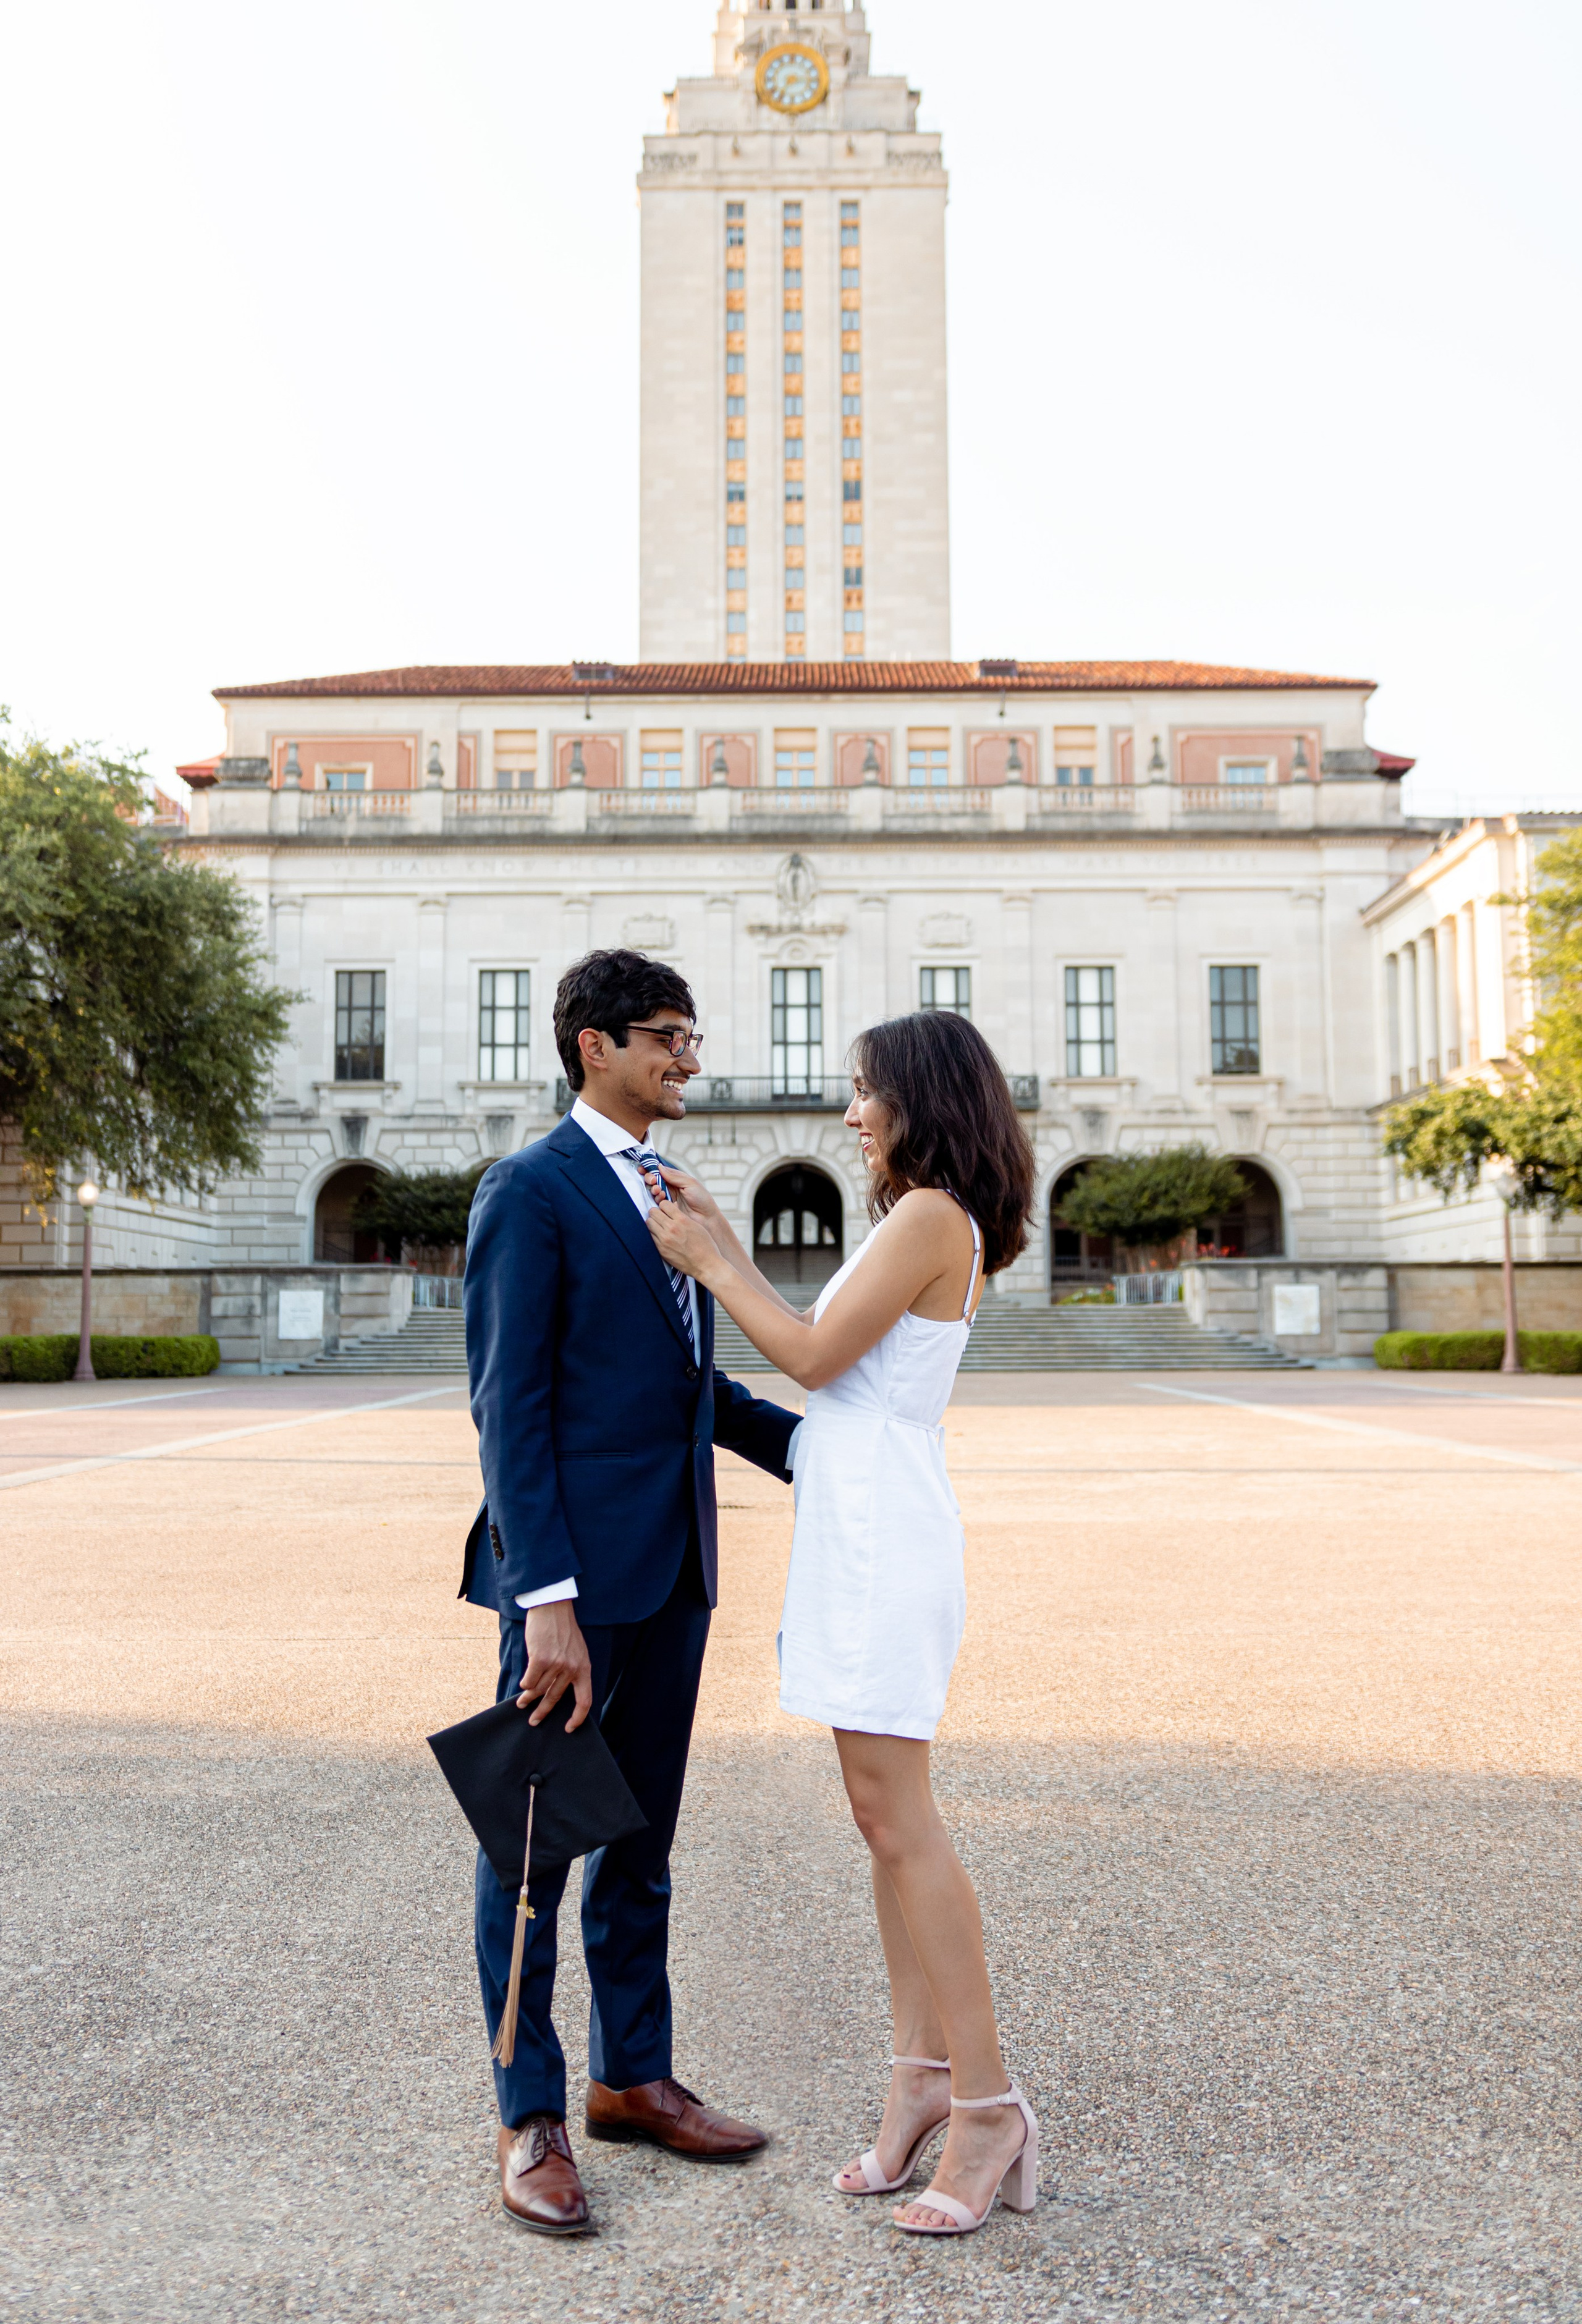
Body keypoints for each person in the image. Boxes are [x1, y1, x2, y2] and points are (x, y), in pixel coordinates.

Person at [646, 1009, 1039, 2239]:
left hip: (881, 1537)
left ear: (918, 1098)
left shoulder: (928, 1218)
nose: (849, 1112)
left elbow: (813, 1358)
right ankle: (919, 2077)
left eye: (863, 1091)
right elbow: (825, 1403)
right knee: (880, 1823)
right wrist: (707, 1324)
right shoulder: (917, 1218)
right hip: (855, 1518)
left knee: (901, 1821)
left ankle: (985, 2107)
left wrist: (713, 1256)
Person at [461, 949, 802, 2236]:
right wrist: (539, 1593)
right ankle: (529, 2115)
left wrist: (811, 1451)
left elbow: (681, 1388)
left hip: (676, 1573)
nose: (688, 1058)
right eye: (667, 1035)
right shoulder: (529, 1190)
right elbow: (511, 1406)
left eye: (691, 1035)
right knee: (536, 1853)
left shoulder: (670, 1192)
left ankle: (630, 2078)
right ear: (594, 1044)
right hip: (571, 1586)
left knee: (644, 1848)